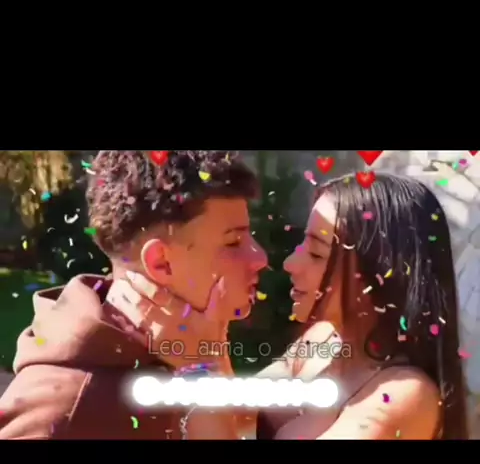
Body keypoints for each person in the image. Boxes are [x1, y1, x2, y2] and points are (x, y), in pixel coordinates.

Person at [127, 173, 467, 440]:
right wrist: (212, 333)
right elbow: (237, 414)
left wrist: (199, 368)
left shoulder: (402, 397)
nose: (290, 263)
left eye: (316, 253)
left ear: (378, 273)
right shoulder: (320, 343)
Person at [0, 151, 267, 440]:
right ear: (160, 262)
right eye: (233, 241)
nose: (260, 258)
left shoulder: (194, 347)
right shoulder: (65, 407)